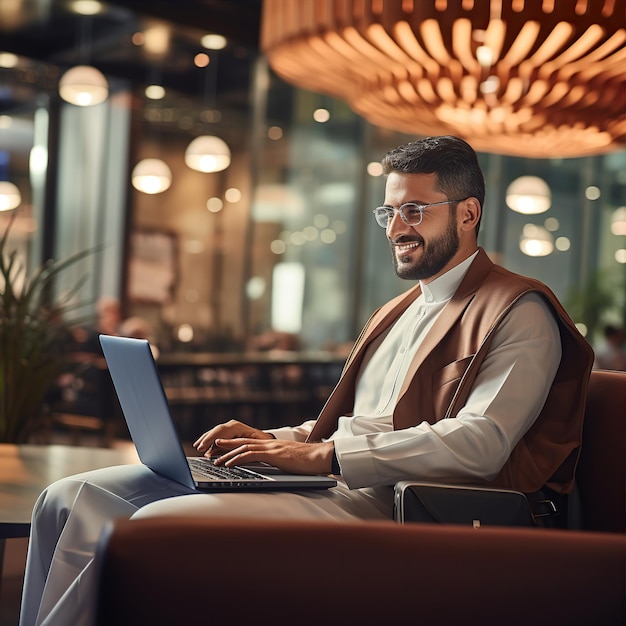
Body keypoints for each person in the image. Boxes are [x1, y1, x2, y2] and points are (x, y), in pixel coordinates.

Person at [19, 136, 593, 626]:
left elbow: (482, 444)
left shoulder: (519, 309)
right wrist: (276, 440)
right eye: (389, 212)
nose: (396, 227)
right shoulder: (398, 309)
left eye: (415, 211)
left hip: (399, 501)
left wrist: (321, 458)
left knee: (155, 524)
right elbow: (358, 425)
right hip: (341, 480)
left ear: (468, 214)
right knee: (65, 499)